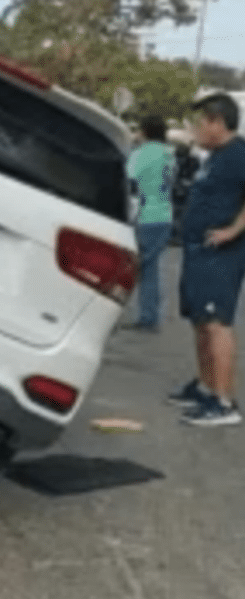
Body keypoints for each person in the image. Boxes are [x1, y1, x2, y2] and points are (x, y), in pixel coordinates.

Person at [167, 93, 245, 426]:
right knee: (200, 322)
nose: (197, 129)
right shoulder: (215, 156)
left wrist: (232, 231)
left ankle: (224, 403)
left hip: (220, 255)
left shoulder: (239, 154)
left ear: (217, 122)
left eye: (201, 122)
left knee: (216, 325)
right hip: (198, 251)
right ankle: (205, 386)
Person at [124, 114, 176, 332]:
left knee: (141, 268)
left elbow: (127, 175)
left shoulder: (142, 154)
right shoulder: (169, 154)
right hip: (165, 214)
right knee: (151, 268)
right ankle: (149, 314)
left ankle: (147, 317)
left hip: (146, 214)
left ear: (144, 132)